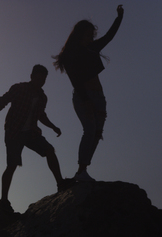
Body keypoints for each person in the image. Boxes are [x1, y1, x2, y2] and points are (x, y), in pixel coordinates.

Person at [52, 5, 124, 181]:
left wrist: (119, 17)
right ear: (79, 34)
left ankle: (82, 171)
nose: (90, 38)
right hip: (84, 96)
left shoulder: (92, 48)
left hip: (100, 98)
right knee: (90, 130)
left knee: (97, 133)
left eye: (91, 35)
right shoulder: (70, 54)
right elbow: (75, 81)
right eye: (87, 34)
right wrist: (85, 100)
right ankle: (82, 169)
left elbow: (109, 36)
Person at [0, 64, 74, 213]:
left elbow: (41, 115)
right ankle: (3, 200)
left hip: (31, 132)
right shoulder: (19, 88)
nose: (41, 81)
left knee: (49, 150)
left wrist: (53, 127)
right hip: (14, 131)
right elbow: (2, 100)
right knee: (12, 165)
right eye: (38, 78)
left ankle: (60, 183)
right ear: (32, 77)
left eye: (43, 79)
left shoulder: (42, 97)